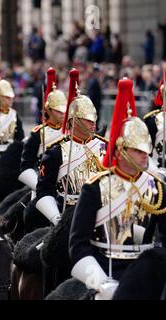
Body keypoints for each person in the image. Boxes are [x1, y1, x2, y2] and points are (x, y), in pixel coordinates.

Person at [69, 78, 166, 300]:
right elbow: (78, 245)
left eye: (146, 150)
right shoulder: (94, 188)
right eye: (137, 150)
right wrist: (101, 284)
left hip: (148, 274)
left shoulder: (158, 188)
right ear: (121, 150)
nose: (145, 155)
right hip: (105, 272)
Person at [32, 68, 107, 230]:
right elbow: (43, 189)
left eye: (93, 118)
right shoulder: (53, 149)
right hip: (65, 211)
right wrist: (56, 218)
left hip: (101, 212)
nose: (93, 123)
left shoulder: (104, 146)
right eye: (87, 120)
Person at [19, 67, 67, 192]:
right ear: (49, 110)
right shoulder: (38, 133)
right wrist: (40, 187)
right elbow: (26, 165)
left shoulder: (72, 131)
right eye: (58, 111)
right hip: (42, 183)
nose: (62, 114)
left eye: (64, 110)